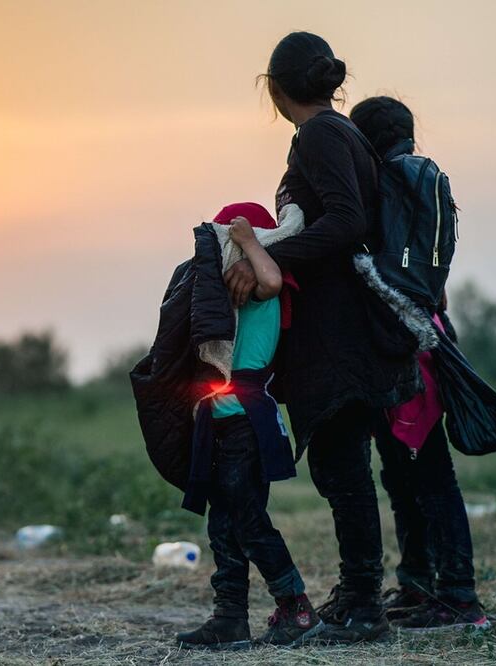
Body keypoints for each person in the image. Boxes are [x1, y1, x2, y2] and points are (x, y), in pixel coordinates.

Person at [224, 32, 422, 644]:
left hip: (340, 331)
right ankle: (356, 596)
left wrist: (264, 252)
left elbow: (346, 223)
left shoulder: (321, 135)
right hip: (345, 327)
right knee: (342, 469)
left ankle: (365, 607)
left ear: (276, 90)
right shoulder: (340, 134)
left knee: (343, 469)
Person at [349, 96, 490, 631]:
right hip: (425, 334)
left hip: (402, 346)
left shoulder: (386, 185)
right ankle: (418, 584)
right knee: (407, 474)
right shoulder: (425, 182)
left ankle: (456, 596)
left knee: (426, 476)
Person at [176, 203, 322, 650]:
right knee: (222, 524)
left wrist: (248, 241)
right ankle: (230, 619)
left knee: (248, 519)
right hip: (218, 419)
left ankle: (296, 608)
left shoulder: (260, 286)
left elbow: (273, 278)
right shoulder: (226, 293)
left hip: (247, 421)